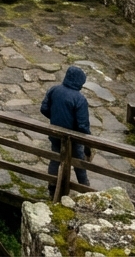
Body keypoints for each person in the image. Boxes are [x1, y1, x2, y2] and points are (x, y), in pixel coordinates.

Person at [40, 65, 91, 198]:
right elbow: (82, 125)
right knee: (79, 163)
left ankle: (52, 187)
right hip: (72, 138)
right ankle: (85, 190)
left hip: (55, 133)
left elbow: (44, 109)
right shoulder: (79, 99)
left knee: (55, 159)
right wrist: (88, 142)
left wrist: (56, 119)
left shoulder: (54, 90)